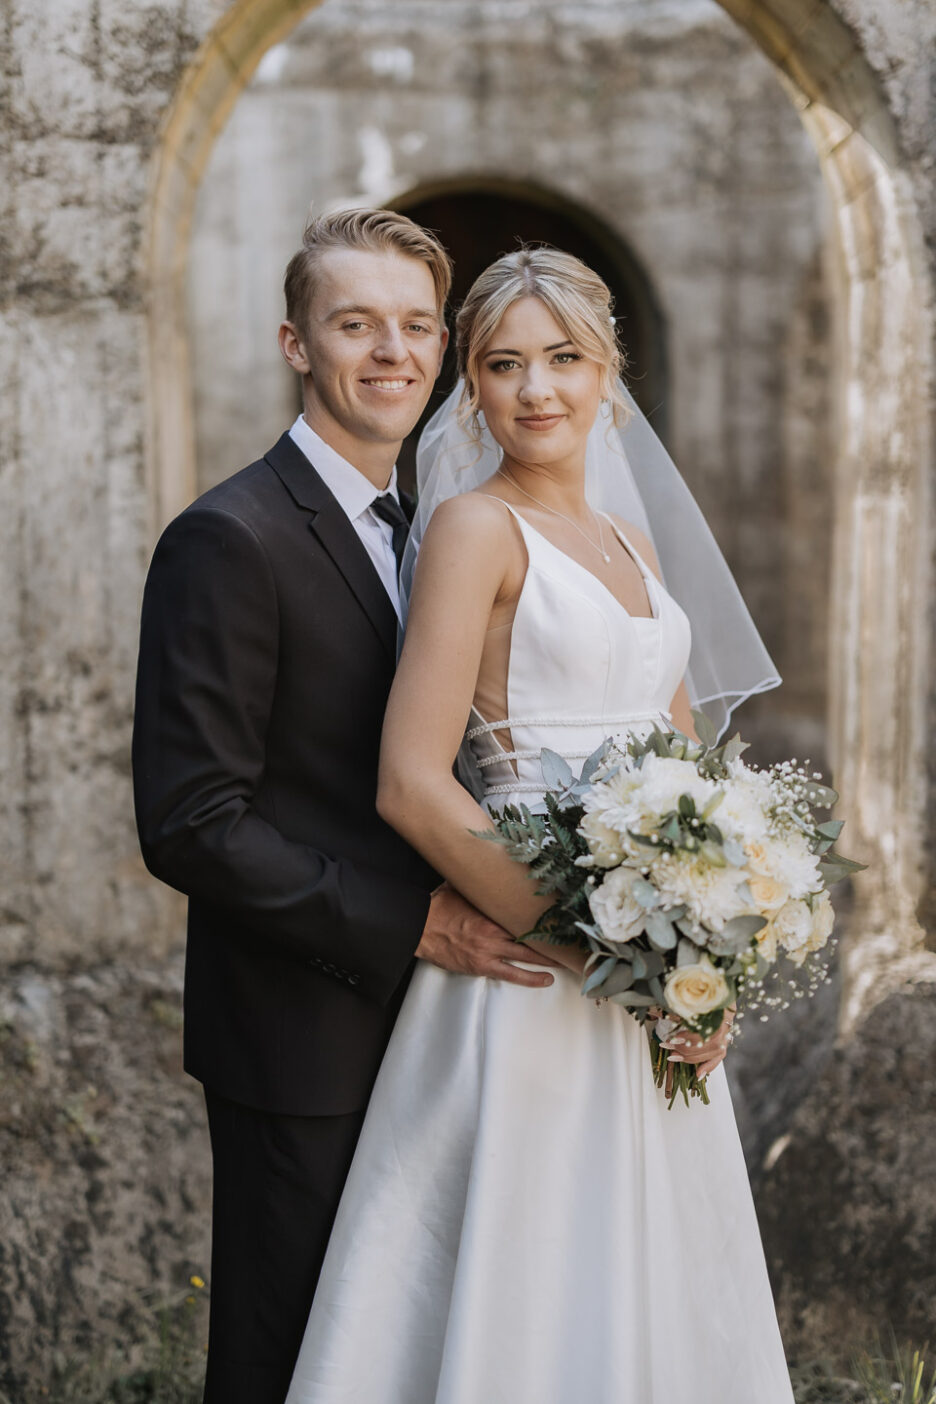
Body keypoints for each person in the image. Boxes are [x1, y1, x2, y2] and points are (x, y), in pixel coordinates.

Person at [286, 247, 794, 1403]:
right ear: (472, 385)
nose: (536, 390)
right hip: (530, 971)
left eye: (564, 358)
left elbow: (685, 780)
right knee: (527, 1276)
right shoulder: (473, 529)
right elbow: (413, 782)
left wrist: (702, 970)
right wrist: (592, 951)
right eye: (503, 364)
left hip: (652, 982)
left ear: (609, 373)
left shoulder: (638, 551)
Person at [131, 210, 560, 1404]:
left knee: (407, 1354)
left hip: (449, 1029)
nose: (393, 352)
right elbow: (191, 819)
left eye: (417, 325)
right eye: (356, 323)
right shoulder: (228, 538)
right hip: (300, 1036)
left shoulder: (433, 531)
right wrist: (412, 924)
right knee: (289, 1364)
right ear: (296, 343)